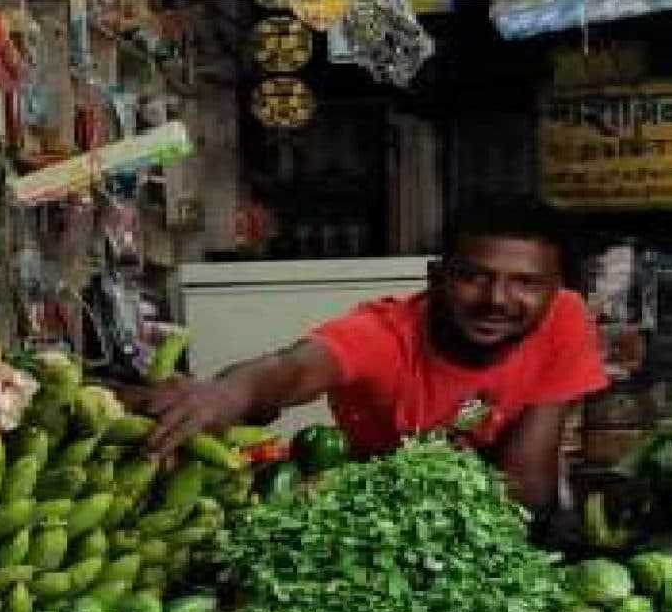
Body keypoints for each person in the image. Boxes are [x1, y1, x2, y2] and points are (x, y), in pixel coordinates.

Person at [148, 197, 607, 513]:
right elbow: (294, 369)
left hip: (494, 511)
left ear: (554, 289)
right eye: (474, 277)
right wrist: (225, 395)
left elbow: (527, 484)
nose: (498, 300)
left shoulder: (564, 318)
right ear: (436, 276)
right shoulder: (386, 336)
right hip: (383, 508)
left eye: (526, 282)